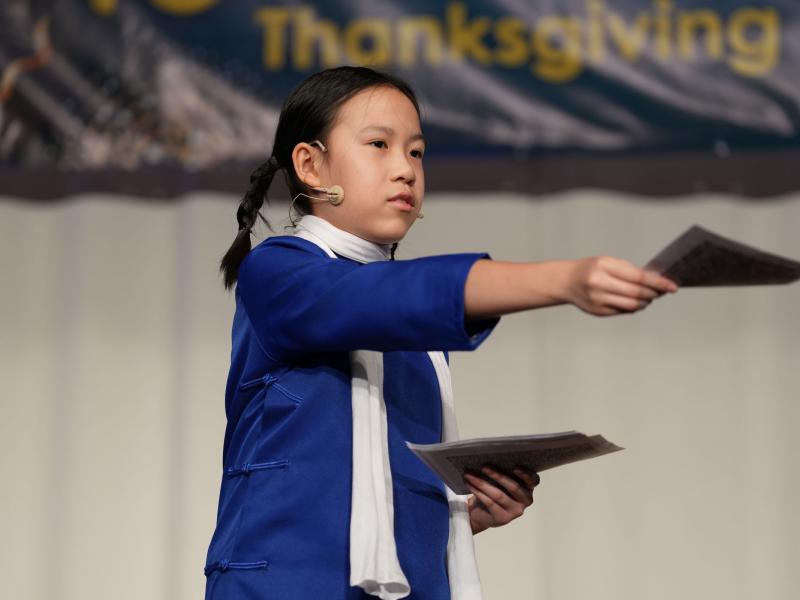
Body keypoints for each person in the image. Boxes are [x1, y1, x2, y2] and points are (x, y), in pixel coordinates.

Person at [204, 66, 678, 600]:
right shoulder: (277, 272)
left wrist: (462, 515)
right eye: (379, 144)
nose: (405, 169)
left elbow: (369, 489)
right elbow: (386, 296)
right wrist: (562, 280)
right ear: (310, 165)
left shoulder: (418, 339)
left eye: (416, 152)